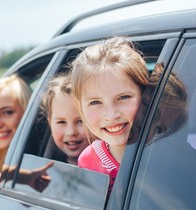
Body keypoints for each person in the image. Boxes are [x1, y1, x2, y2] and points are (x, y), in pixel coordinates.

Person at [70, 36, 149, 194]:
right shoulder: (88, 160)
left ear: (146, 96)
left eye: (123, 97)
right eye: (95, 102)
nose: (111, 115)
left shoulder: (163, 150)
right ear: (80, 106)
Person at [41, 73, 89, 165]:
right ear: (50, 123)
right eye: (61, 122)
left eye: (80, 121)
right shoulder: (46, 169)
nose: (71, 132)